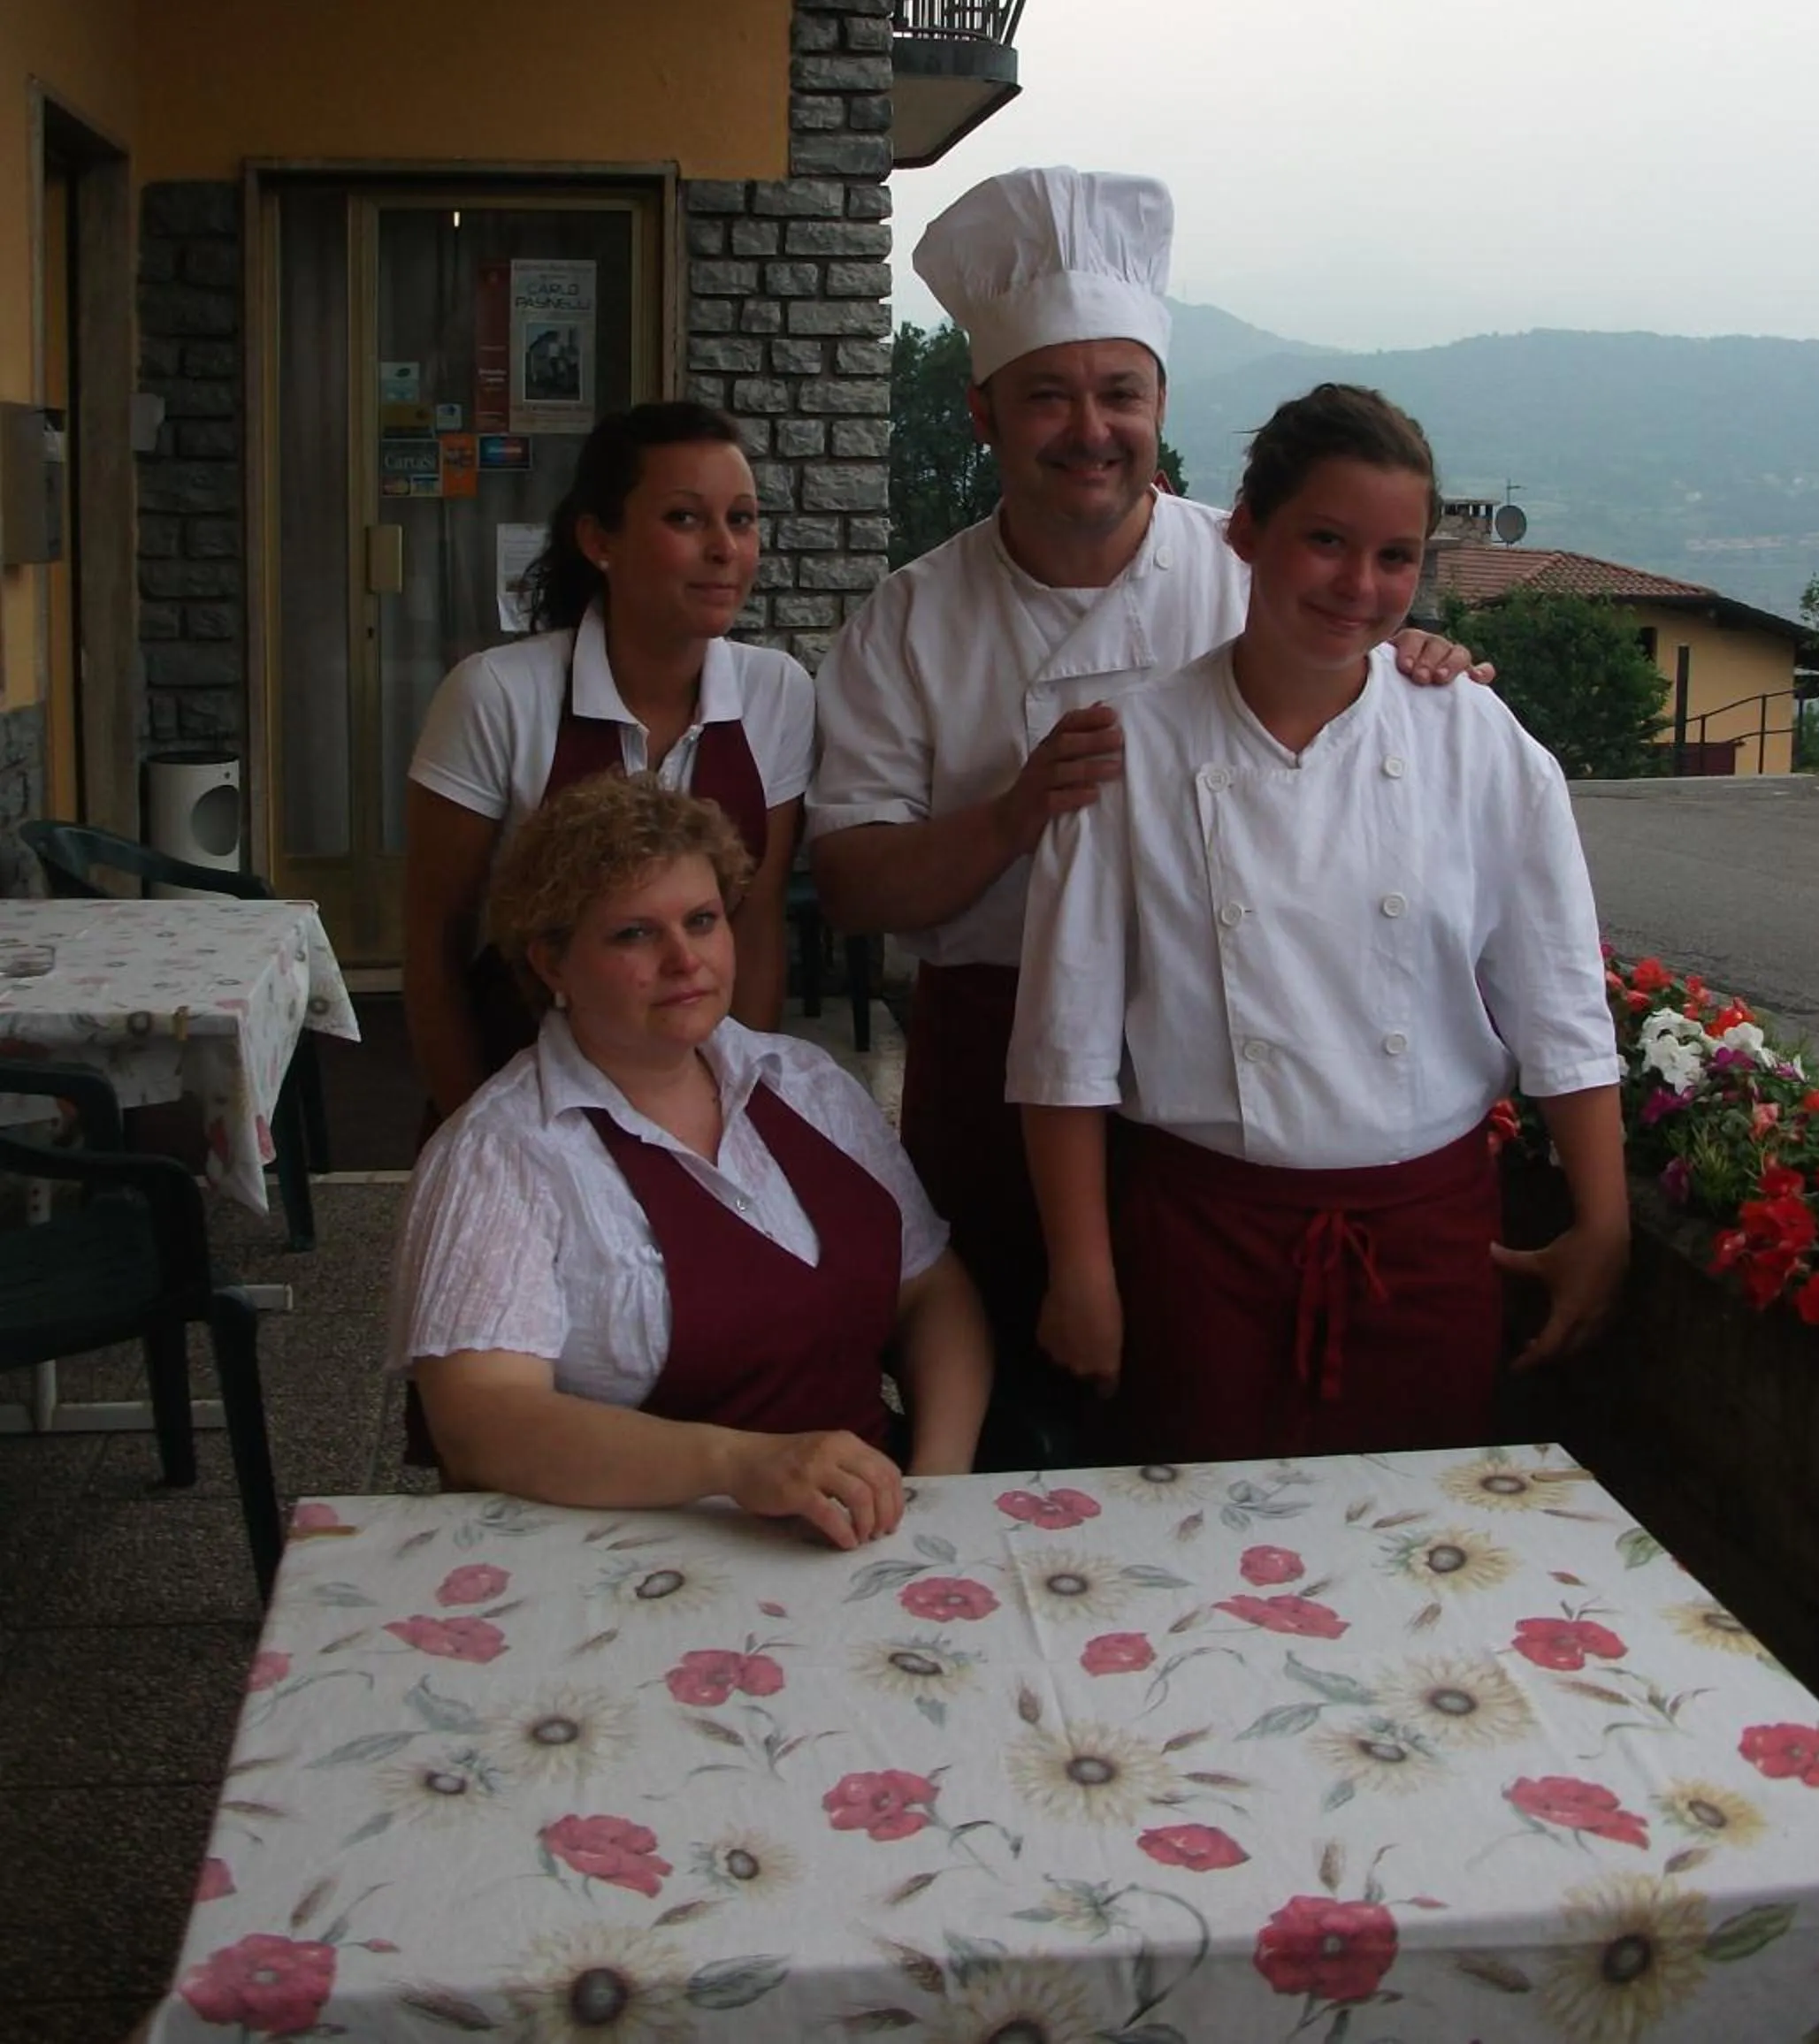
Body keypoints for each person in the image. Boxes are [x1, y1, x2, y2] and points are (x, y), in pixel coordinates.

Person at [809, 166, 1487, 1356]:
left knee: (1206, 1383)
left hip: (1228, 1061)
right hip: (988, 1048)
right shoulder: (908, 620)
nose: (1088, 432)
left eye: (1118, 393)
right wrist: (1015, 814)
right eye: (1045, 398)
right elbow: (856, 887)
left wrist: (1415, 654)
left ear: (1158, 405)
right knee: (1009, 1380)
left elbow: (1368, 707)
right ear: (982, 415)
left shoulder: (1253, 577)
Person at [1007, 382, 1629, 1464]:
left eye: (1396, 557)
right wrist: (1083, 1273)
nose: (1361, 586)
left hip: (1430, 1246)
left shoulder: (1477, 743)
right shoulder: (1129, 751)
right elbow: (1065, 1048)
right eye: (1327, 541)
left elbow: (1559, 999)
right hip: (1201, 1250)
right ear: (1247, 532)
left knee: (1422, 1575)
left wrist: (1604, 1224)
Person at [389, 772, 991, 1543]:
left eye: (702, 921)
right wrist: (737, 1464)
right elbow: (483, 1421)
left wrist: (936, 1487)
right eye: (634, 933)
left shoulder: (806, 1085)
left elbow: (933, 1291)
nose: (685, 960)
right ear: (550, 965)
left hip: (871, 1531)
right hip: (636, 1562)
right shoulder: (502, 1154)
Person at [403, 401, 813, 1121]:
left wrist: (743, 1120)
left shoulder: (776, 692)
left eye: (741, 519)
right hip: (520, 1093)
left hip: (695, 1104)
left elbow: (756, 924)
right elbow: (434, 945)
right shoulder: (497, 695)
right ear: (599, 539)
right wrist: (475, 1131)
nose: (724, 548)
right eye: (685, 519)